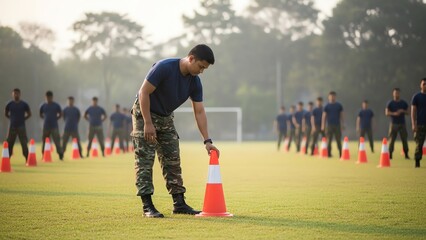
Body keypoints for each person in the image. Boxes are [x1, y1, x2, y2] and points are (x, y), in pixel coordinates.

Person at [131, 44, 219, 218]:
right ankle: (147, 206)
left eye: (205, 69)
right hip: (145, 113)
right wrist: (148, 123)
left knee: (173, 159)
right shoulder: (164, 67)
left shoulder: (195, 82)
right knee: (145, 160)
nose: (201, 71)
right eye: (201, 66)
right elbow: (143, 93)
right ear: (191, 58)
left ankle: (179, 203)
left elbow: (199, 111)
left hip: (165, 117)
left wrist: (207, 141)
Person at [4, 88, 31, 161]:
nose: (16, 95)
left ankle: (27, 158)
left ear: (20, 94)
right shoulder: (9, 104)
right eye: (14, 93)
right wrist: (11, 119)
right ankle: (7, 159)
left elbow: (29, 114)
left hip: (21, 127)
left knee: (24, 143)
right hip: (12, 127)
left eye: (17, 93)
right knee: (9, 144)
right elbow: (6, 114)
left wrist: (23, 119)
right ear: (12, 94)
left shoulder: (24, 104)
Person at [385, 88, 409, 159]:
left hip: (402, 123)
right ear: (393, 94)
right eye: (395, 93)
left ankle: (406, 154)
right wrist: (394, 113)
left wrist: (402, 111)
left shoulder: (403, 103)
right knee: (391, 140)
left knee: (404, 139)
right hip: (393, 124)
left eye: (397, 93)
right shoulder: (390, 103)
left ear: (399, 94)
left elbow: (408, 112)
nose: (396, 94)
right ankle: (390, 154)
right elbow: (386, 113)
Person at [40, 91, 63, 160]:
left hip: (54, 126)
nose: (48, 98)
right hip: (46, 126)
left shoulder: (56, 105)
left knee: (57, 141)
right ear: (45, 97)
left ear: (52, 97)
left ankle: (60, 155)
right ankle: (44, 155)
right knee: (44, 141)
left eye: (50, 97)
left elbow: (61, 113)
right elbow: (40, 114)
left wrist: (56, 118)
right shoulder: (43, 105)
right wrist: (45, 118)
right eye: (47, 97)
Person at [322, 91, 344, 158]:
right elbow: (324, 116)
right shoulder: (326, 106)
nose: (332, 97)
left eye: (333, 96)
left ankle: (341, 153)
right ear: (328, 97)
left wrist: (342, 124)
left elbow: (341, 115)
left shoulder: (339, 105)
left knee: (338, 140)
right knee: (329, 140)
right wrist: (323, 125)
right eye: (331, 96)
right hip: (329, 125)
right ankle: (328, 154)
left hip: (337, 125)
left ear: (335, 97)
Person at [411, 78, 426, 168]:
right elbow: (413, 111)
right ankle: (417, 161)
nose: (425, 85)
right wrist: (413, 124)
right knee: (419, 144)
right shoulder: (416, 97)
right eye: (424, 84)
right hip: (420, 124)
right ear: (420, 85)